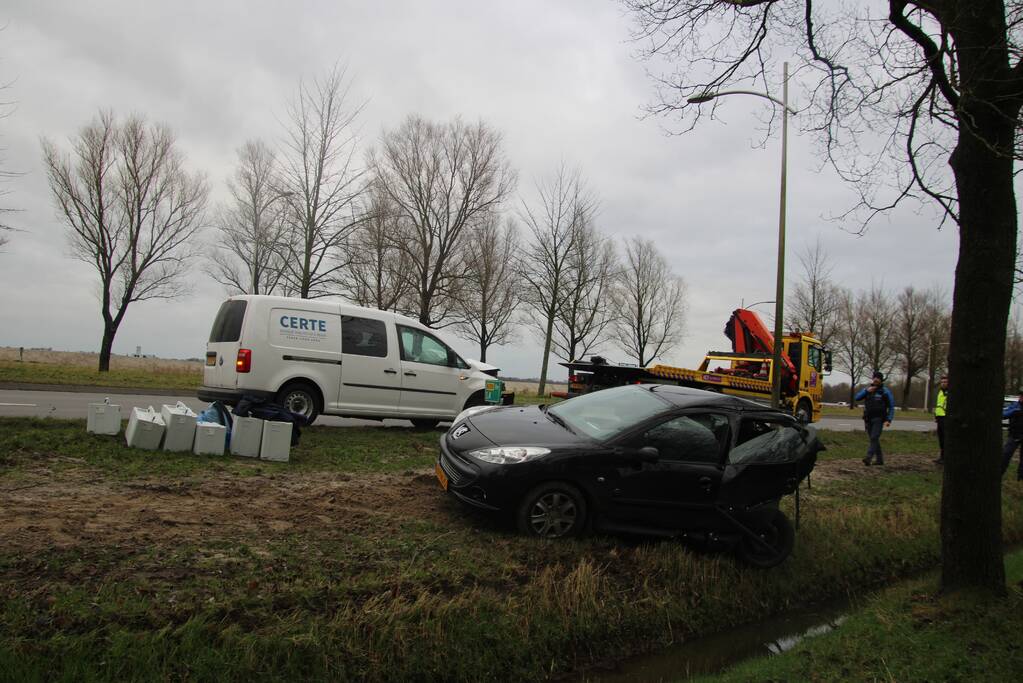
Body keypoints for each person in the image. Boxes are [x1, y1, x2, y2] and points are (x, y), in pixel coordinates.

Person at [855, 370, 895, 466]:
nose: (876, 379)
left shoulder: (885, 391)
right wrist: (866, 391)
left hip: (879, 419)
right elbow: (857, 398)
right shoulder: (868, 390)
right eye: (874, 377)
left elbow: (891, 406)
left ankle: (868, 458)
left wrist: (889, 419)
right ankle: (880, 460)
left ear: (881, 380)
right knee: (874, 439)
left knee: (874, 437)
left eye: (878, 378)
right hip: (868, 418)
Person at [1002, 390, 1023, 480]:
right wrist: (1014, 412)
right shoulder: (1015, 406)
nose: (1021, 397)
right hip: (1014, 436)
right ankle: (999, 472)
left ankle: (1020, 476)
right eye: (1020, 396)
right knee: (1005, 455)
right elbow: (1004, 414)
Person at [934, 376, 948, 464]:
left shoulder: (949, 392)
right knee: (941, 438)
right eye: (942, 382)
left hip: (945, 417)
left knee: (945, 439)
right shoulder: (940, 392)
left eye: (945, 382)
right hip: (939, 417)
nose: (943, 383)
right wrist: (936, 416)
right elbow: (939, 405)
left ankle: (945, 458)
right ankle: (942, 457)